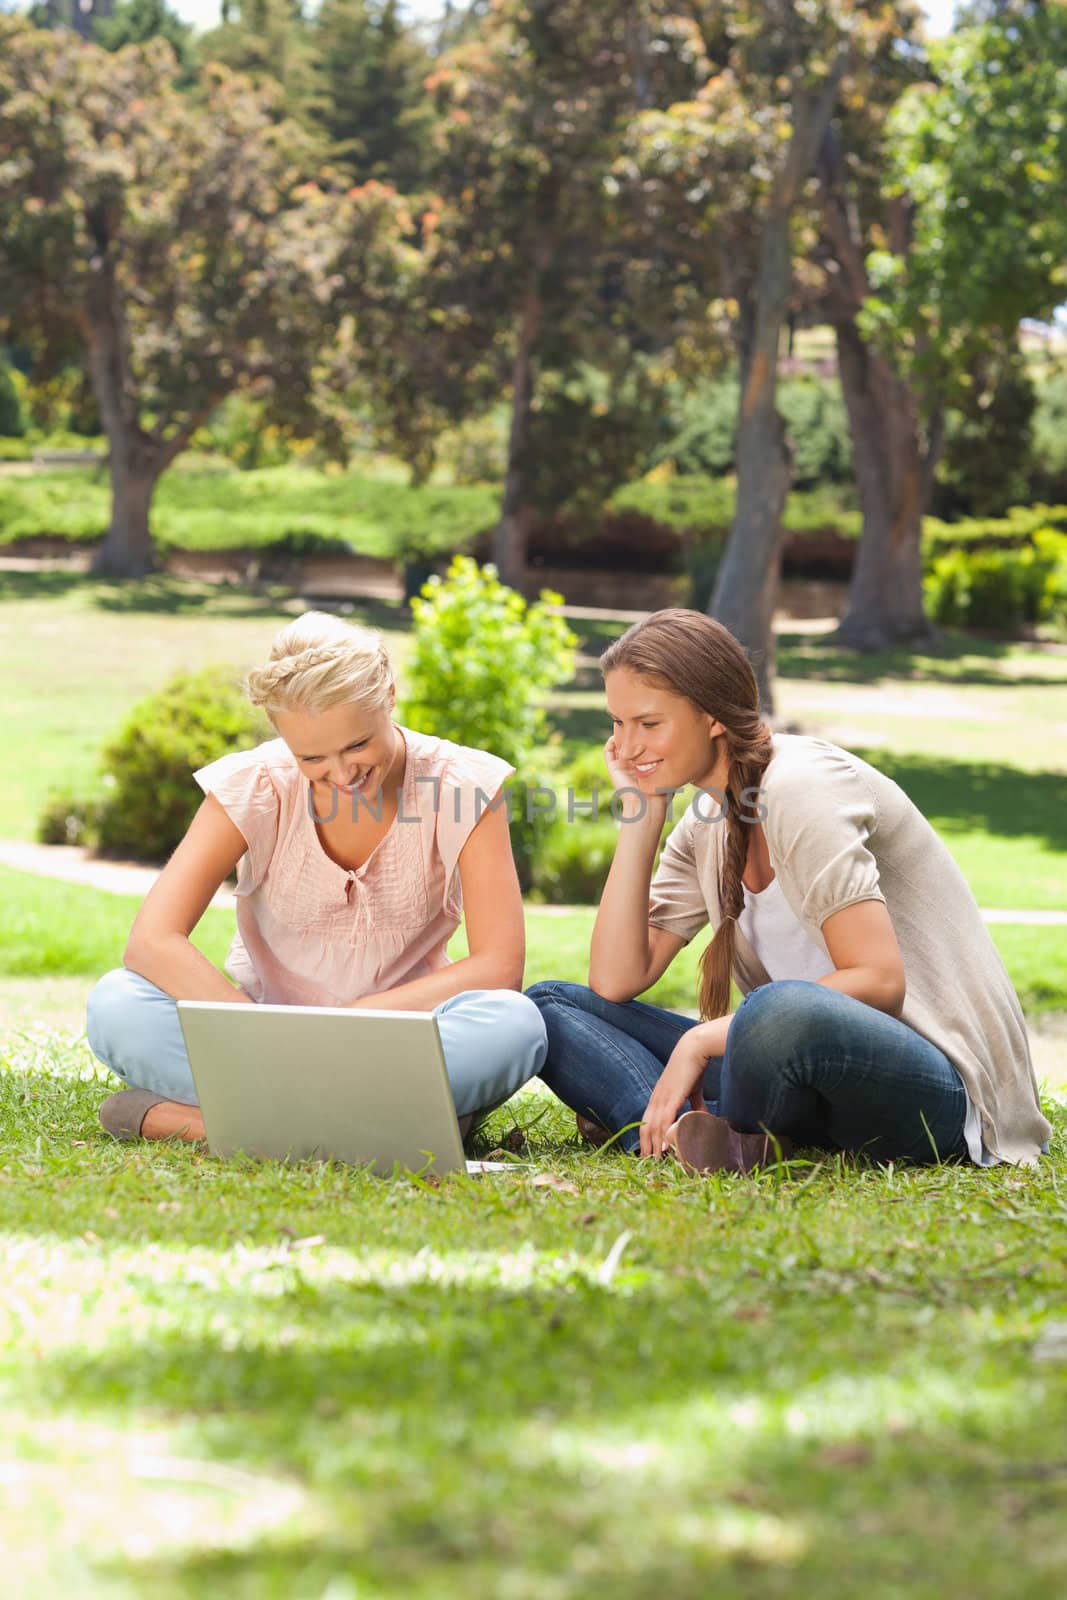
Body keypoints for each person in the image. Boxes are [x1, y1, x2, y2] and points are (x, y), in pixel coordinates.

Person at [527, 609, 1049, 1173]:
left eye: (648, 725)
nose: (626, 749)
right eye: (618, 723)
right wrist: (643, 816)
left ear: (712, 717)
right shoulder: (706, 820)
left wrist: (699, 1043)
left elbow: (878, 981)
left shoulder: (801, 787)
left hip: (935, 1082)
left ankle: (691, 1123)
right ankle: (678, 1134)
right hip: (794, 1071)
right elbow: (615, 979)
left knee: (778, 1009)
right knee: (551, 1006)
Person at [87, 611, 547, 1143]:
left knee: (515, 1025)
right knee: (116, 1003)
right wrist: (264, 1032)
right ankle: (397, 1125)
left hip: (396, 1040)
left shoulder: (462, 784)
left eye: (357, 745)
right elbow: (152, 942)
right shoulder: (255, 784)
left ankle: (206, 1124)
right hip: (262, 1039)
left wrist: (342, 1028)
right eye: (312, 757)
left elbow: (498, 966)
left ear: (390, 695)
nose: (343, 773)